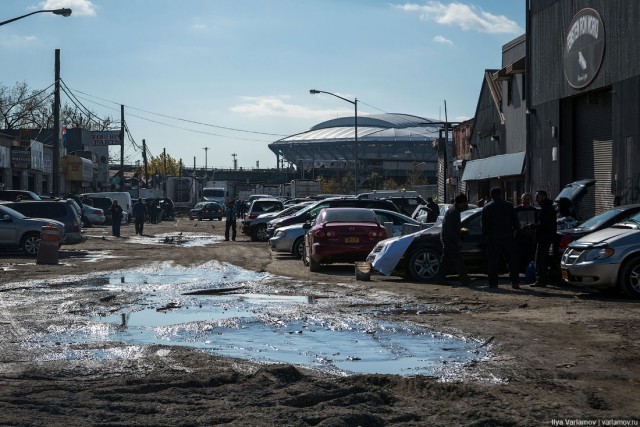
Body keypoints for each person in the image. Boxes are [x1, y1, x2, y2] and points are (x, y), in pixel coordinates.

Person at [481, 187, 520, 289]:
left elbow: (484, 226)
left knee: (493, 262)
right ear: (501, 194)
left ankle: (493, 283)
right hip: (508, 237)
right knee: (512, 262)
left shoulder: (487, 207)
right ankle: (515, 282)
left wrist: (487, 236)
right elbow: (516, 223)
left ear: (491, 195)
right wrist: (513, 234)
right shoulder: (509, 206)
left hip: (493, 239)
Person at [441, 193, 471, 286]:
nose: (465, 205)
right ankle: (465, 280)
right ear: (461, 202)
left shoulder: (453, 210)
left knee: (445, 260)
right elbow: (452, 229)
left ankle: (440, 278)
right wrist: (457, 241)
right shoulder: (454, 212)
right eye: (464, 202)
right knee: (457, 260)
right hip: (450, 240)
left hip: (447, 238)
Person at [531, 190, 556, 287]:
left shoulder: (547, 209)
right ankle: (541, 279)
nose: (536, 199)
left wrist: (533, 226)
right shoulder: (546, 208)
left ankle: (541, 280)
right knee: (541, 259)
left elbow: (544, 224)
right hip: (544, 238)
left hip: (544, 238)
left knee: (541, 260)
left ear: (543, 197)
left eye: (537, 197)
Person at [515, 193, 539, 272]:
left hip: (531, 237)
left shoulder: (534, 210)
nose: (526, 201)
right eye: (524, 199)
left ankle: (529, 270)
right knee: (519, 255)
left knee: (530, 255)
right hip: (519, 237)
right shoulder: (517, 210)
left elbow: (537, 222)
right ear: (521, 200)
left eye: (528, 199)